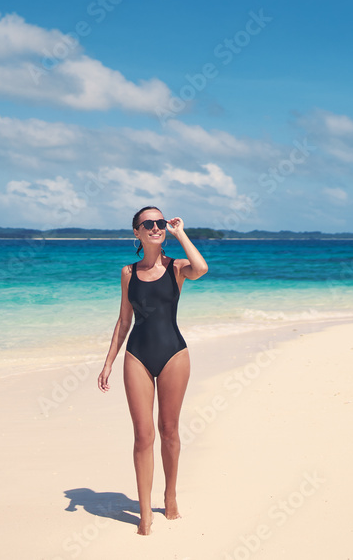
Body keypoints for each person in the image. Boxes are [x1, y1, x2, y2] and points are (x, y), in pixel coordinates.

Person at [98, 206, 209, 535]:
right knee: (143, 436)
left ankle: (170, 495)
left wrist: (181, 233)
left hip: (174, 353)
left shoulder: (177, 267)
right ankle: (145, 512)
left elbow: (201, 268)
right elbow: (123, 321)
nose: (156, 227)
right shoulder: (128, 273)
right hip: (137, 354)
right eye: (149, 224)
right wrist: (108, 363)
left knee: (169, 430)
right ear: (137, 232)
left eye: (161, 223)